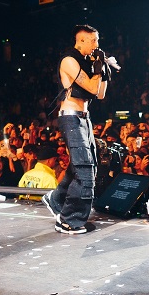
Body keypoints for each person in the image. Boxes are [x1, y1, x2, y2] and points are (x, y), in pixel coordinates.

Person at [42, 24, 118, 235]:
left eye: (97, 40)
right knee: (84, 169)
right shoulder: (69, 61)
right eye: (93, 40)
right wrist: (98, 66)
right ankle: (68, 221)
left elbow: (100, 93)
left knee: (85, 165)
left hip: (84, 117)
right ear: (81, 40)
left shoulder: (88, 63)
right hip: (70, 117)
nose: (96, 45)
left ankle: (56, 199)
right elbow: (91, 88)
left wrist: (103, 70)